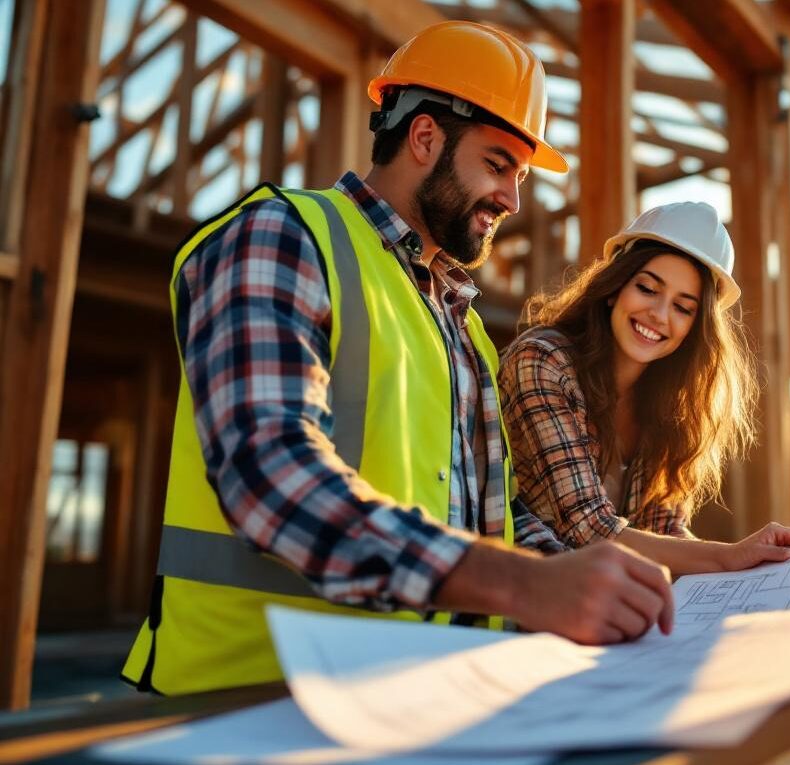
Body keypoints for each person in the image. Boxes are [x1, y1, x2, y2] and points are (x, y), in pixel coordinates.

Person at [122, 21, 674, 697]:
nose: (513, 200)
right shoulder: (283, 237)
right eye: (498, 164)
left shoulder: (462, 328)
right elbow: (268, 467)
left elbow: (488, 518)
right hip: (248, 700)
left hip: (408, 698)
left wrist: (591, 575)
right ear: (424, 139)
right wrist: (522, 583)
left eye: (521, 176)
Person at [499, 202, 790, 576]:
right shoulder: (543, 362)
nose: (659, 315)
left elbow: (662, 531)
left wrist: (755, 563)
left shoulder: (669, 405)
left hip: (606, 604)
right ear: (615, 286)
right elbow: (588, 529)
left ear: (695, 330)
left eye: (683, 308)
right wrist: (728, 555)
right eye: (648, 288)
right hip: (521, 598)